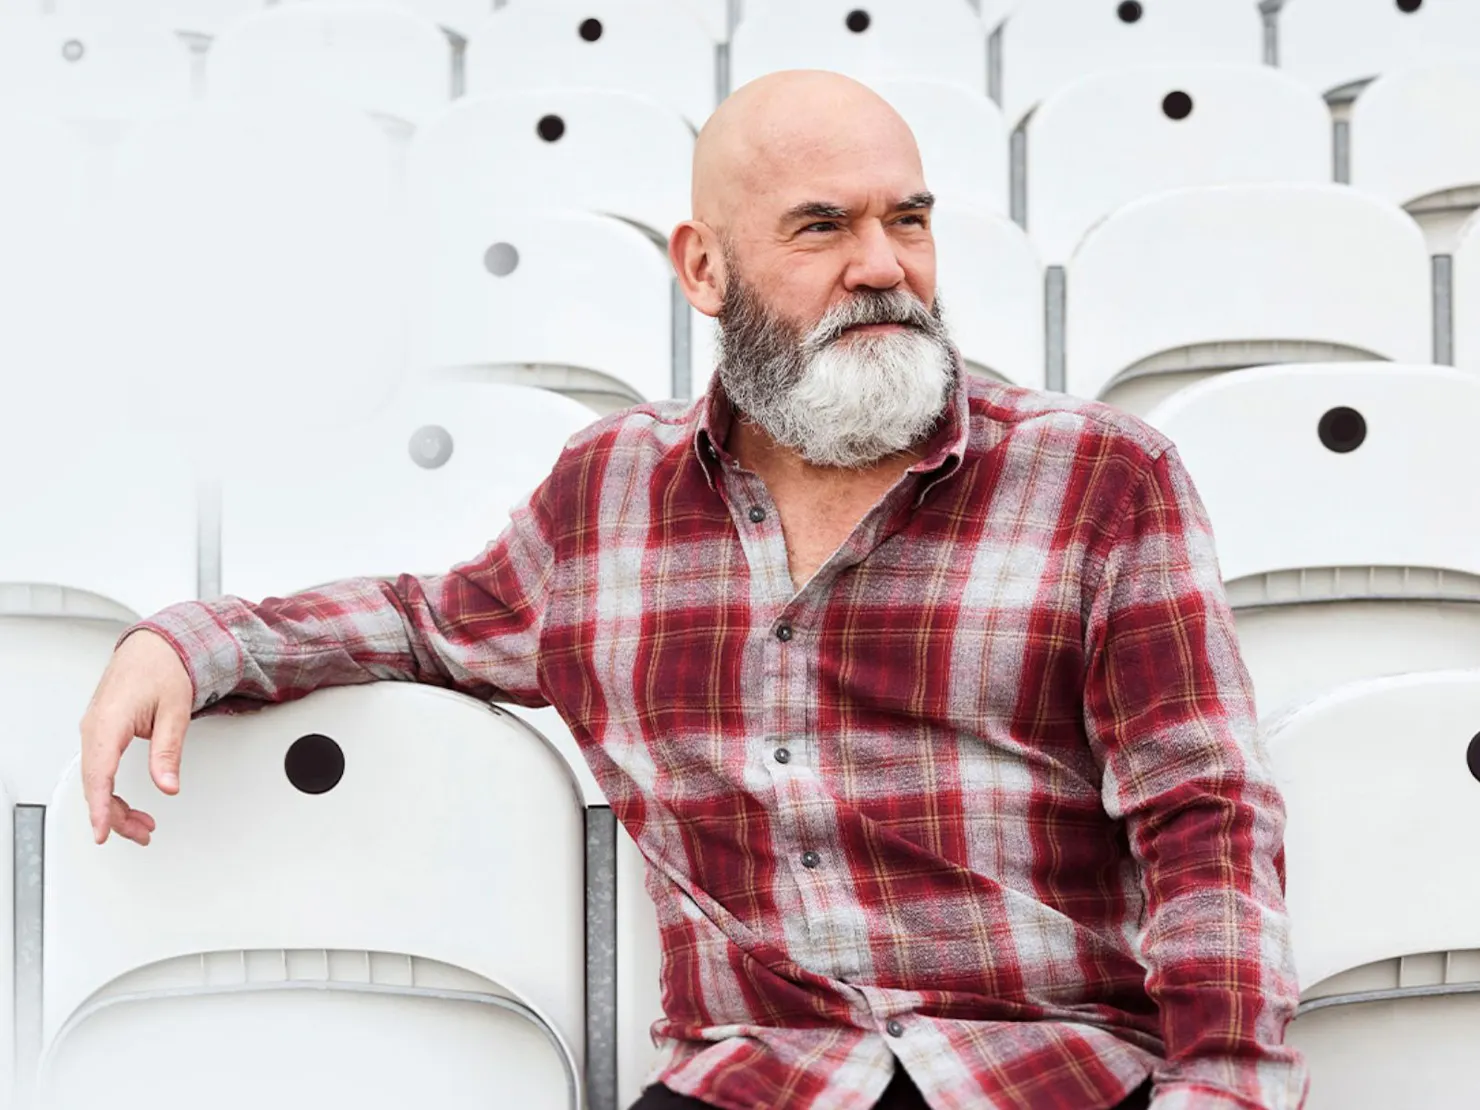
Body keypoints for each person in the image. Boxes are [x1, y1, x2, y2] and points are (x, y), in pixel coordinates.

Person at [79, 70, 1308, 1110]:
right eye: (822, 227)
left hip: (1044, 1076)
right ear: (704, 267)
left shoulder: (1100, 475)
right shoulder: (608, 494)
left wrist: (1225, 1089)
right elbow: (423, 621)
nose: (883, 266)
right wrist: (186, 644)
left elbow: (1203, 811)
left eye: (911, 220)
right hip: (754, 1079)